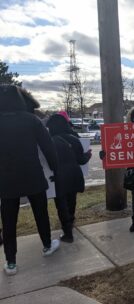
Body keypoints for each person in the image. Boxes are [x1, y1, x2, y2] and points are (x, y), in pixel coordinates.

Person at [0, 85, 60, 275]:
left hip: (6, 178)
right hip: (32, 173)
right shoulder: (31, 120)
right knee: (40, 212)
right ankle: (47, 245)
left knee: (8, 220)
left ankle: (11, 262)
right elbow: (48, 146)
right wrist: (55, 168)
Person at [46, 113, 92, 233]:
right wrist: (88, 154)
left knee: (60, 203)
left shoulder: (49, 142)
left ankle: (66, 228)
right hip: (73, 175)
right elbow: (81, 160)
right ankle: (71, 220)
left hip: (58, 177)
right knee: (72, 200)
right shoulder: (74, 139)